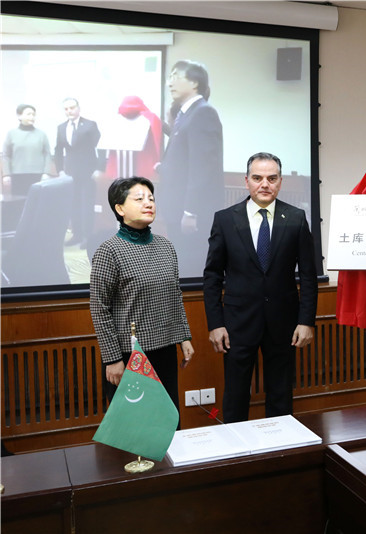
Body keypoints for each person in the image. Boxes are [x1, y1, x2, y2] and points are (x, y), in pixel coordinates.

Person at [203, 152, 317, 423]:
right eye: (257, 178)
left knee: (281, 393)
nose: (265, 184)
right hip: (237, 323)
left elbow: (309, 276)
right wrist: (215, 324)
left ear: (280, 181)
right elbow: (212, 276)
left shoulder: (296, 217)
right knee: (235, 394)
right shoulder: (225, 219)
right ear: (246, 181)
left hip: (284, 322)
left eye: (271, 178)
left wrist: (306, 321)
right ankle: (235, 445)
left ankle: (280, 445)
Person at [89, 177, 194, 413]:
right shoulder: (109, 251)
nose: (148, 203)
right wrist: (112, 359)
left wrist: (184, 337)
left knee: (167, 423)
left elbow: (174, 296)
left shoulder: (166, 246)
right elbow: (99, 309)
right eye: (139, 199)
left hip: (165, 349)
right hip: (130, 354)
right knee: (136, 429)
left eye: (151, 199)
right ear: (120, 209)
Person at [157, 60, 224, 276]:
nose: (170, 83)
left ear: (194, 83)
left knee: (191, 269)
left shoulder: (203, 113)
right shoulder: (186, 114)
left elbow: (203, 167)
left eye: (176, 77)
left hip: (190, 212)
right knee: (182, 264)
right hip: (178, 207)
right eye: (170, 77)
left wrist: (190, 211)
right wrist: (164, 167)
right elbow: (186, 159)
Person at [54, 97, 103, 249]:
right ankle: (77, 235)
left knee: (86, 205)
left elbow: (100, 147)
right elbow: (58, 150)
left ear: (78, 109)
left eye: (72, 108)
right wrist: (60, 170)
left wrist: (99, 168)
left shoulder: (90, 125)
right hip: (70, 173)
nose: (69, 111)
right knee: (73, 204)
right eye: (66, 109)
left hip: (88, 172)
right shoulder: (61, 127)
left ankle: (87, 237)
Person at [2, 104, 54, 196]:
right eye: (28, 114)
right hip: (17, 175)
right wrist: (6, 174)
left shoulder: (41, 134)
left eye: (33, 114)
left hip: (38, 175)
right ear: (19, 116)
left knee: (38, 201)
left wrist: (46, 172)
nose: (32, 117)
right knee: (18, 201)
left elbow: (47, 155)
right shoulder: (11, 134)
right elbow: (6, 155)